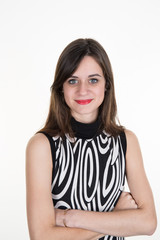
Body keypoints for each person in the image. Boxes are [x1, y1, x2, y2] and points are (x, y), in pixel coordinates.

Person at [26, 38, 157, 240]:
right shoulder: (42, 146)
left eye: (93, 80)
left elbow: (148, 223)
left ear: (106, 85)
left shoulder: (126, 141)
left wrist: (70, 218)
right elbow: (42, 236)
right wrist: (117, 217)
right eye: (72, 80)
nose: (83, 90)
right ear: (61, 87)